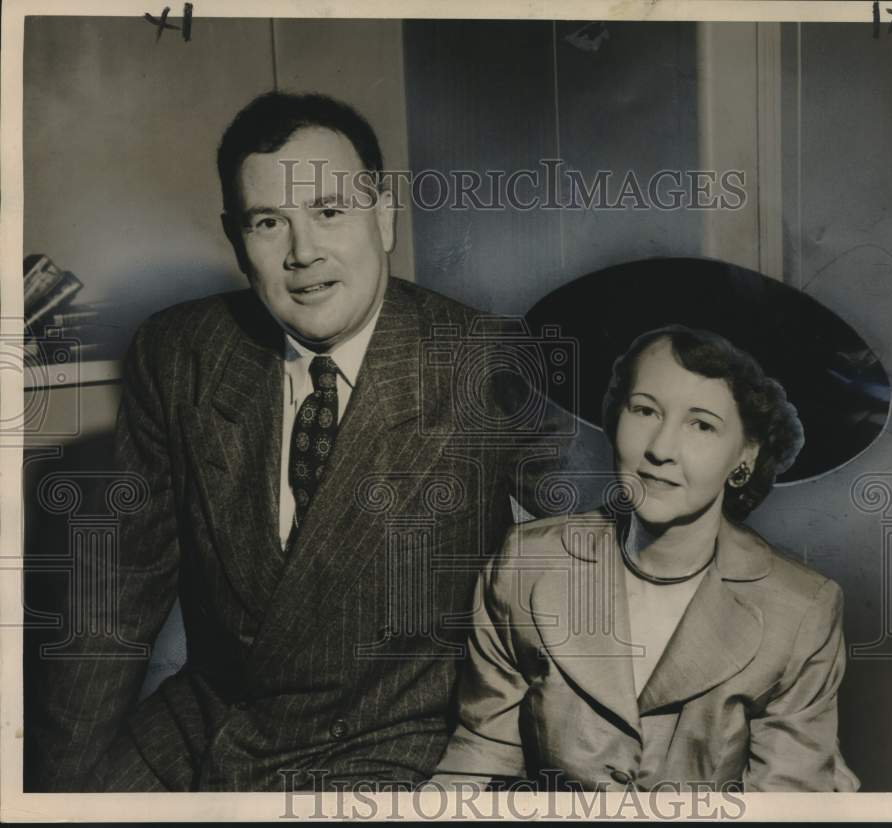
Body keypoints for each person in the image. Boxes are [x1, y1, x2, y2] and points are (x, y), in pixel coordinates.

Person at [28, 91, 601, 792]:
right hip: (204, 728)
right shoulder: (180, 353)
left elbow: (614, 545)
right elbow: (112, 599)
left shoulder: (483, 360)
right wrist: (57, 793)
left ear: (383, 215)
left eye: (330, 212)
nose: (303, 253)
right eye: (269, 222)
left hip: (392, 747)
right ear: (237, 240)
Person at [434, 325, 861, 792]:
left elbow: (785, 805)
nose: (659, 449)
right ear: (616, 417)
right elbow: (480, 755)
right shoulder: (527, 563)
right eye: (644, 410)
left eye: (701, 424)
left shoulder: (801, 609)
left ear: (746, 454)